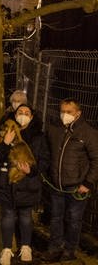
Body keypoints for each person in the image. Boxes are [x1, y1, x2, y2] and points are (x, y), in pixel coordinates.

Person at [0, 104, 49, 265]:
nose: (23, 115)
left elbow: (44, 160)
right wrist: (5, 143)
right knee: (7, 216)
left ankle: (26, 246)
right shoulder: (6, 133)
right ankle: (7, 249)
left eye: (27, 113)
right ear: (14, 115)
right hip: (7, 184)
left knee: (25, 217)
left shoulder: (39, 137)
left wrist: (32, 170)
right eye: (20, 112)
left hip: (28, 183)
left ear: (32, 117)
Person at [43, 99, 98, 263]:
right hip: (56, 185)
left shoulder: (88, 133)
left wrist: (88, 183)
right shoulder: (55, 129)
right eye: (62, 111)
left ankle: (70, 250)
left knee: (74, 220)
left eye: (69, 112)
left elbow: (96, 159)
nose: (64, 115)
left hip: (76, 187)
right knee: (55, 218)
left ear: (78, 113)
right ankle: (54, 248)